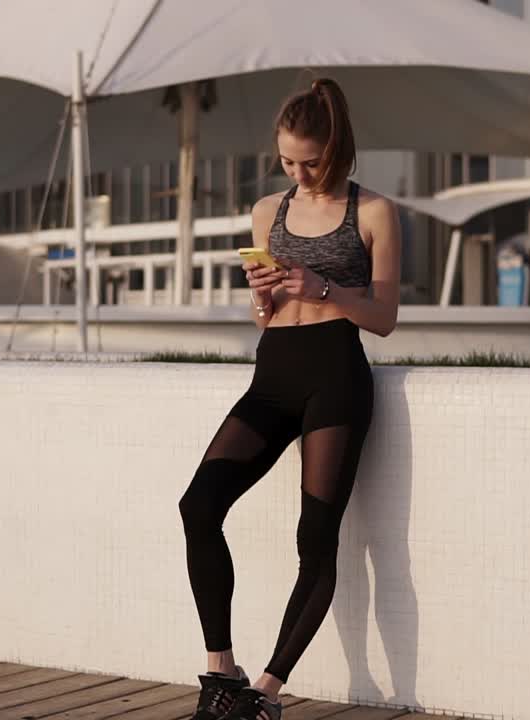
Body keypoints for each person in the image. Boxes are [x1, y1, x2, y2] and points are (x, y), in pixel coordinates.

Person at [178, 77, 402, 720]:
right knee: (199, 506)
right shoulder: (266, 211)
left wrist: (323, 285)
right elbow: (263, 315)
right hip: (272, 375)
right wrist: (263, 294)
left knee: (316, 541)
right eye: (287, 162)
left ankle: (265, 695)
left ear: (337, 150)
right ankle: (220, 673)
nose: (299, 174)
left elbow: (384, 317)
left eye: (311, 162)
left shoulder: (374, 212)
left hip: (336, 377)